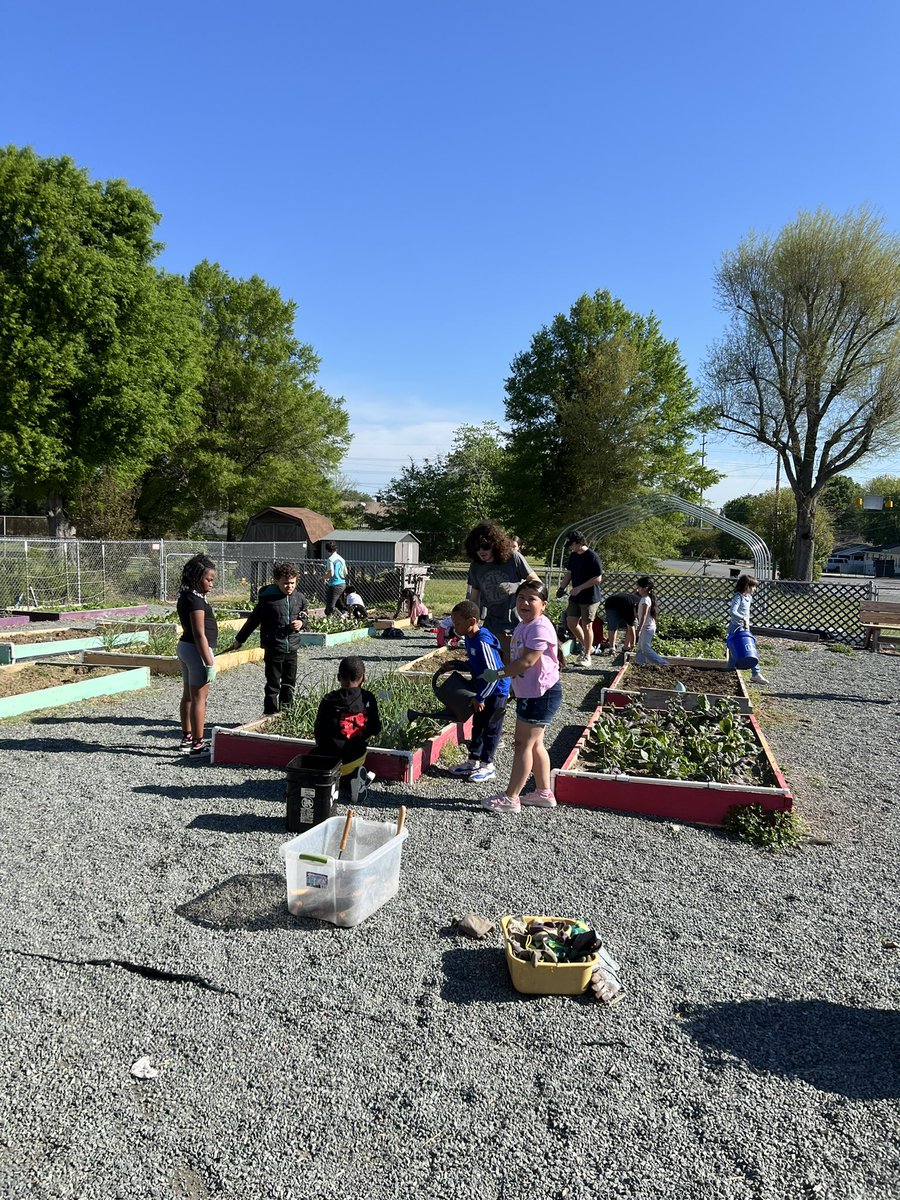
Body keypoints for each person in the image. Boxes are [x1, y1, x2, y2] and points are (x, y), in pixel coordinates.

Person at [478, 580, 562, 813]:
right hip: (533, 692)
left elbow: (527, 661)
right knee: (535, 744)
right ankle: (543, 793)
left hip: (541, 695)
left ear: (543, 604)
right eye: (521, 598)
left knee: (522, 744)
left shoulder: (539, 627)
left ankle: (511, 797)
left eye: (531, 599)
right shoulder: (525, 624)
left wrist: (498, 674)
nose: (524, 602)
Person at [220, 561, 308, 715]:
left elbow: (304, 615)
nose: (290, 586)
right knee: (273, 684)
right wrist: (239, 640)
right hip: (274, 647)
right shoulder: (268, 599)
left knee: (289, 683)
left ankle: (286, 714)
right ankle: (270, 714)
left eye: (293, 583)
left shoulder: (299, 598)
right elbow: (253, 621)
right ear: (277, 581)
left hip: (292, 648)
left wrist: (302, 622)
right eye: (286, 583)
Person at [448, 599, 511, 784]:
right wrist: (454, 665)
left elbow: (494, 674)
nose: (455, 628)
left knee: (491, 728)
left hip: (496, 690)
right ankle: (473, 761)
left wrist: (480, 696)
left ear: (472, 621)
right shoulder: (469, 637)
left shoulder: (482, 642)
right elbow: (477, 666)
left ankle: (487, 765)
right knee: (478, 725)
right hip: (483, 688)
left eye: (457, 624)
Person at [464, 521, 540, 658]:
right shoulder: (476, 566)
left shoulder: (513, 558)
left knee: (517, 664)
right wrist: (471, 621)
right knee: (496, 665)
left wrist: (522, 596)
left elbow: (536, 582)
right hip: (492, 623)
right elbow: (474, 598)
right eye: (477, 547)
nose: (481, 551)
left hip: (517, 623)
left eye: (486, 546)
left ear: (495, 544)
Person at [314, 656, 382, 794]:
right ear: (363, 677)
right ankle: (354, 778)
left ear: (339, 677)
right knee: (356, 748)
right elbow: (376, 729)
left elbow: (319, 733)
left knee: (315, 754)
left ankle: (332, 782)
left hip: (330, 762)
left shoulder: (328, 700)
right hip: (355, 757)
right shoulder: (368, 698)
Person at [176, 553, 218, 756]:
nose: (211, 584)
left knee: (189, 697)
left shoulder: (187, 595)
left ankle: (187, 738)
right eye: (208, 580)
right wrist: (209, 662)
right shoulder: (195, 600)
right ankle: (198, 745)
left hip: (185, 648)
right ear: (196, 578)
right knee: (199, 699)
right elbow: (199, 634)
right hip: (196, 651)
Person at [556, 530, 603, 666]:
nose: (570, 547)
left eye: (571, 544)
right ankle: (588, 646)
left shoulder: (592, 556)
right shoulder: (574, 556)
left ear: (578, 542)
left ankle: (587, 655)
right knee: (571, 622)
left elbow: (598, 578)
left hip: (590, 597)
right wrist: (561, 588)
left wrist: (580, 587)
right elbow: (569, 573)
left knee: (587, 625)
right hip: (575, 597)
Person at [728, 574, 769, 685]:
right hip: (736, 628)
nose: (755, 589)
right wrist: (743, 619)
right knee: (735, 651)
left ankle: (755, 674)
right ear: (746, 586)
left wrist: (746, 622)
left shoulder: (748, 597)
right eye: (753, 586)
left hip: (745, 628)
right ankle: (729, 673)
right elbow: (732, 611)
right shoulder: (738, 597)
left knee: (750, 649)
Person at [633, 576, 669, 666]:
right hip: (646, 626)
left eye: (639, 587)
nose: (637, 590)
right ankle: (639, 662)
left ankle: (663, 663)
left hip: (647, 627)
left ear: (645, 588)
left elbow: (644, 616)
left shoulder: (646, 600)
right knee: (640, 648)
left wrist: (639, 629)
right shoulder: (643, 598)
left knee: (645, 648)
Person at [323, 541, 348, 615]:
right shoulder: (342, 559)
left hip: (335, 585)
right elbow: (346, 572)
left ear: (327, 550)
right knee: (339, 604)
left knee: (330, 607)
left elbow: (331, 573)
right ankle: (344, 615)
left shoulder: (330, 559)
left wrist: (323, 577)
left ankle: (331, 621)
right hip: (342, 584)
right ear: (336, 548)